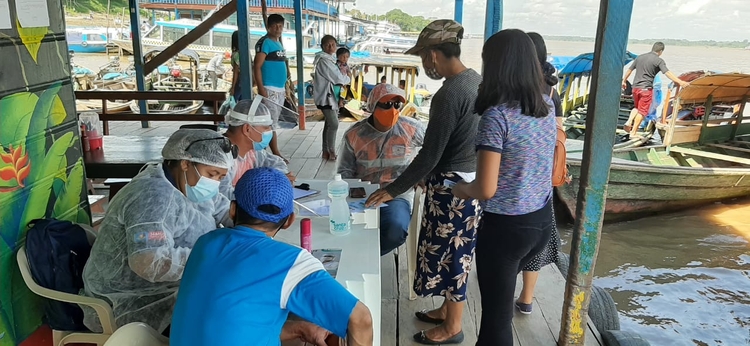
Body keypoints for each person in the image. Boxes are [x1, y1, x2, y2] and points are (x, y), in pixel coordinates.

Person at [365, 19, 481, 345]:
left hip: (453, 187)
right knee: (452, 252)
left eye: (422, 57)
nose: (423, 63)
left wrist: (392, 189)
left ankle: (453, 327)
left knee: (454, 257)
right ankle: (447, 309)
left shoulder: (449, 93)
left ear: (433, 55)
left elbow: (430, 154)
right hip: (470, 180)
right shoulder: (477, 81)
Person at [170, 168, 374, 346]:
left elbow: (231, 321)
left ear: (232, 210)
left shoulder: (205, 243)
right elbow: (360, 319)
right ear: (289, 220)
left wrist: (299, 329)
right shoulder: (291, 263)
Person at [451, 29, 557, 346]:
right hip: (540, 222)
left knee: (495, 324)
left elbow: (485, 188)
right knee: (501, 315)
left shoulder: (497, 117)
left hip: (505, 231)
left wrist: (461, 189)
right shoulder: (546, 106)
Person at [81, 129, 237, 334]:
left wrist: (254, 222)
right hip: (135, 301)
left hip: (173, 288)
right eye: (211, 174)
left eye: (221, 177)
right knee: (224, 322)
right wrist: (209, 259)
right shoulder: (151, 197)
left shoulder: (192, 185)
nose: (214, 183)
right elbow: (149, 261)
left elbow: (225, 211)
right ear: (185, 163)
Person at [338, 83, 425, 256]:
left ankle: (365, 257)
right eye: (386, 105)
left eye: (397, 105)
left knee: (396, 229)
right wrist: (352, 194)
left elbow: (435, 150)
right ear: (372, 106)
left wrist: (423, 173)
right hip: (363, 194)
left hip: (396, 193)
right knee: (340, 226)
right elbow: (344, 171)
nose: (392, 110)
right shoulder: (354, 134)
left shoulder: (411, 128)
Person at [514, 32, 564, 315]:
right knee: (535, 245)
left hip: (515, 179)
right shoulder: (551, 94)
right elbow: (558, 136)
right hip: (542, 181)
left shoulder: (513, 94)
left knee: (509, 245)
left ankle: (501, 293)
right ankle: (527, 299)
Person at [220, 98, 295, 200]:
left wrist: (277, 178)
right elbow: (223, 198)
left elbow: (277, 163)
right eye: (266, 128)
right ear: (247, 129)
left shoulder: (252, 152)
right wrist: (265, 187)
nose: (270, 132)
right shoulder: (221, 156)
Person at [622, 42, 689, 137]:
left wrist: (624, 81)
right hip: (646, 89)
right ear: (661, 51)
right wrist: (680, 82)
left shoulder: (640, 57)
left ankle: (629, 121)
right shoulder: (659, 60)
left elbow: (629, 70)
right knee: (642, 111)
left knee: (637, 107)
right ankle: (633, 133)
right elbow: (667, 73)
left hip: (635, 88)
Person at [254, 13, 291, 163]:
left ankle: (272, 152)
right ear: (269, 27)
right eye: (275, 25)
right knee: (268, 122)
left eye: (280, 26)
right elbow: (257, 66)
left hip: (280, 88)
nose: (278, 28)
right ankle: (273, 152)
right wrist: (261, 88)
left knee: (273, 121)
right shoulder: (265, 42)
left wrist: (286, 86)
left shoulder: (278, 43)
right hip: (269, 88)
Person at [313, 35, 351, 161]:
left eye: (333, 45)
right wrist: (349, 79)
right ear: (322, 46)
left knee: (328, 124)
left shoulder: (331, 60)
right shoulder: (324, 61)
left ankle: (326, 151)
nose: (330, 47)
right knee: (334, 124)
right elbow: (338, 78)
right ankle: (331, 151)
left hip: (332, 97)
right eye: (327, 45)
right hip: (326, 98)